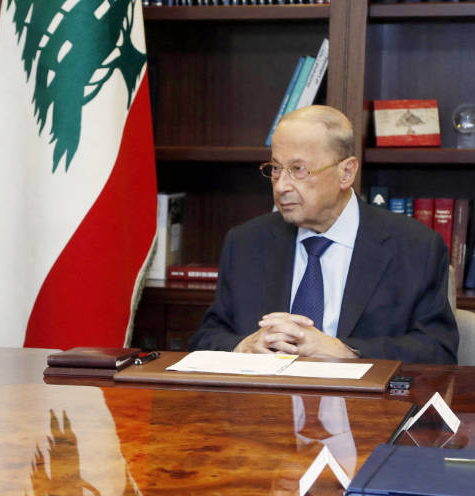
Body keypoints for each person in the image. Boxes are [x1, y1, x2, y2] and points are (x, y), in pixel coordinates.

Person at [190, 105, 457, 364]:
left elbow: (438, 351)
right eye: (275, 169)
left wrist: (346, 351)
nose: (282, 186)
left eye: (298, 170)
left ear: (346, 172)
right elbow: (206, 338)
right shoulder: (246, 243)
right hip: (265, 403)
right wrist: (243, 346)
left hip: (364, 408)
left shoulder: (415, 247)